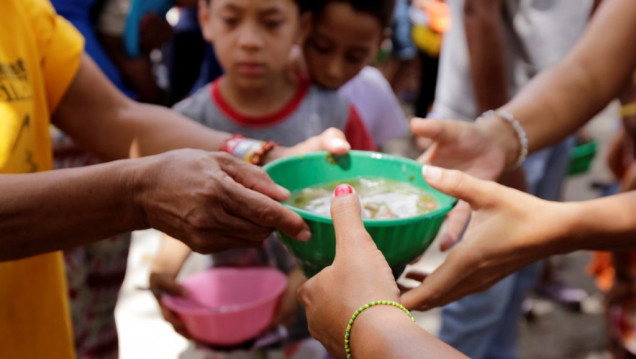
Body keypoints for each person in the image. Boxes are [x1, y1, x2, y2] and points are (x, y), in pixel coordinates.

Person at [0, 0, 349, 357]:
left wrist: (269, 156)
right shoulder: (197, 108)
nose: (249, 40)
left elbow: (114, 116)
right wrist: (139, 196)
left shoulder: (21, 10)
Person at [149, 0, 376, 357]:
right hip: (221, 323)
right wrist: (163, 269)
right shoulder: (185, 122)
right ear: (206, 19)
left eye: (270, 23)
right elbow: (181, 208)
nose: (250, 41)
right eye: (231, 19)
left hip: (314, 330)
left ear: (301, 28)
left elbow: (367, 210)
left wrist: (307, 273)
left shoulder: (334, 115)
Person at [422, 0, 592, 357]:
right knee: (481, 290)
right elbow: (477, 10)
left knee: (517, 268)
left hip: (545, 113)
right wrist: (502, 142)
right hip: (500, 114)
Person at [301, 0, 410, 149]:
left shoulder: (375, 91)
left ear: (380, 44)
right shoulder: (274, 81)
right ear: (303, 25)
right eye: (321, 47)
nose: (334, 70)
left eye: (355, 57)